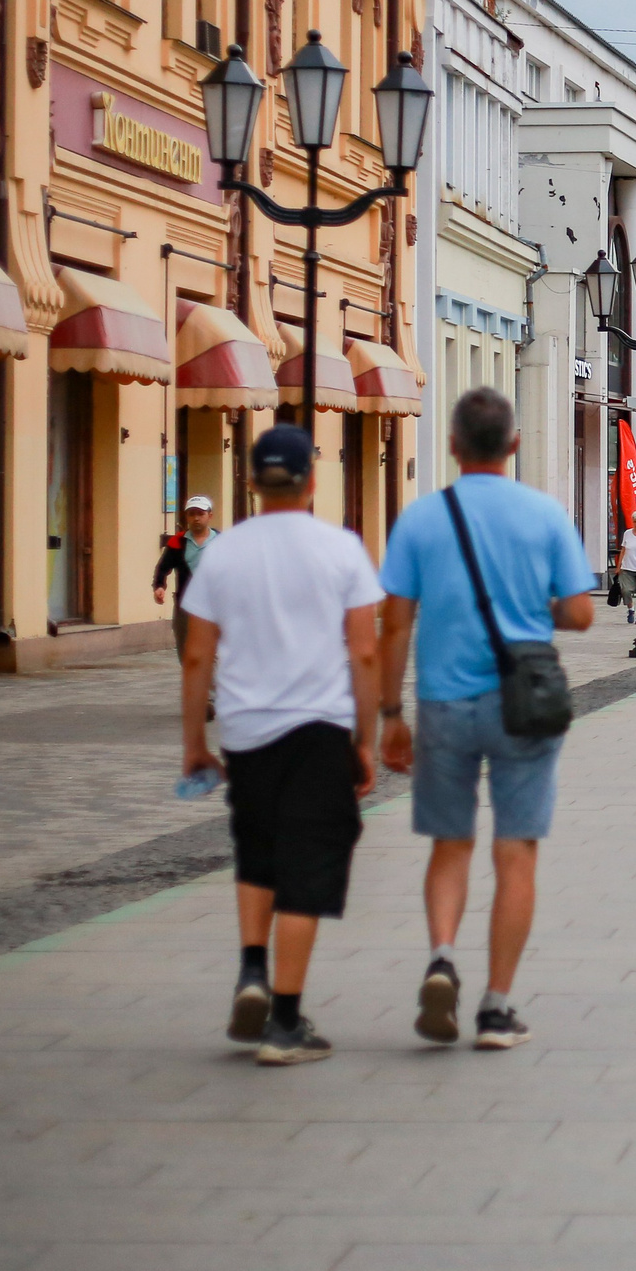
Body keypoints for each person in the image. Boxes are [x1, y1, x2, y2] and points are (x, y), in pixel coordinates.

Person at [377, 389, 597, 1053]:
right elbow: (581, 613)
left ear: (452, 446)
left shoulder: (421, 519)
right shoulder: (545, 514)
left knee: (450, 843)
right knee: (515, 851)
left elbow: (394, 624)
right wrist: (531, 612)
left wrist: (390, 714)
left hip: (443, 704)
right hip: (523, 704)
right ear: (514, 445)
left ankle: (442, 957)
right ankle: (497, 1008)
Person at [177, 427, 383, 1067]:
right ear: (312, 481)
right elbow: (365, 652)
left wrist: (195, 743)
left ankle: (252, 970)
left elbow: (196, 656)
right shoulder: (342, 550)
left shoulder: (224, 555)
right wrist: (366, 739)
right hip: (318, 728)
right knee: (307, 867)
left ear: (250, 484)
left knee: (258, 849)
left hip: (245, 730)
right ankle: (286, 1023)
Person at [153, 494, 220, 656]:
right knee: (186, 650)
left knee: (211, 651)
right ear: (186, 516)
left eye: (200, 514)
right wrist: (159, 586)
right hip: (185, 604)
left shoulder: (222, 541)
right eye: (192, 514)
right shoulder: (178, 542)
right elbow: (163, 567)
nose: (196, 518)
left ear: (210, 516)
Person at [615, 511, 636, 625]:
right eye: (634, 522)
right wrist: (619, 566)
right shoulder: (627, 533)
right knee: (625, 590)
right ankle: (630, 609)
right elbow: (623, 550)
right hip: (627, 567)